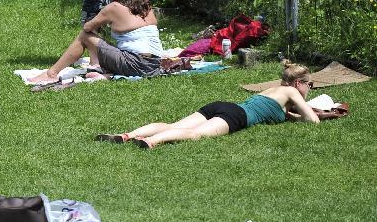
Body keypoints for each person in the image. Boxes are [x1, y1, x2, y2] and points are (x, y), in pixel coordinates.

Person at [96, 60, 321, 148]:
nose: (308, 90)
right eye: (309, 85)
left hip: (222, 106)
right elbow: (313, 121)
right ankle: (151, 142)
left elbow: (273, 112)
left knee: (174, 125)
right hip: (236, 116)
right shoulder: (293, 92)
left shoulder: (276, 90)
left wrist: (292, 117)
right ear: (299, 82)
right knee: (195, 135)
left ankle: (126, 135)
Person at [28, 0, 165, 83]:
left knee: (85, 36)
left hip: (135, 64)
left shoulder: (114, 7)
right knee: (99, 41)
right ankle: (98, 68)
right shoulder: (146, 6)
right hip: (153, 65)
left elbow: (88, 27)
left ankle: (51, 73)